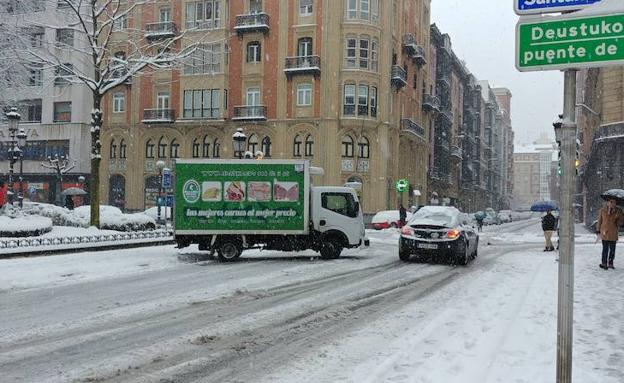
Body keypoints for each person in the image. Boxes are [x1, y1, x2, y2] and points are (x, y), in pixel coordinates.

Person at [596, 198, 624, 270]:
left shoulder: (618, 211)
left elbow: (620, 223)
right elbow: (599, 221)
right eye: (610, 202)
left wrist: (619, 217)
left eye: (614, 202)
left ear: (615, 203)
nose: (612, 204)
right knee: (605, 249)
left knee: (612, 249)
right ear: (607, 202)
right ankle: (604, 263)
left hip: (613, 233)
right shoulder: (602, 210)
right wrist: (598, 230)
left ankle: (611, 263)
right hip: (604, 232)